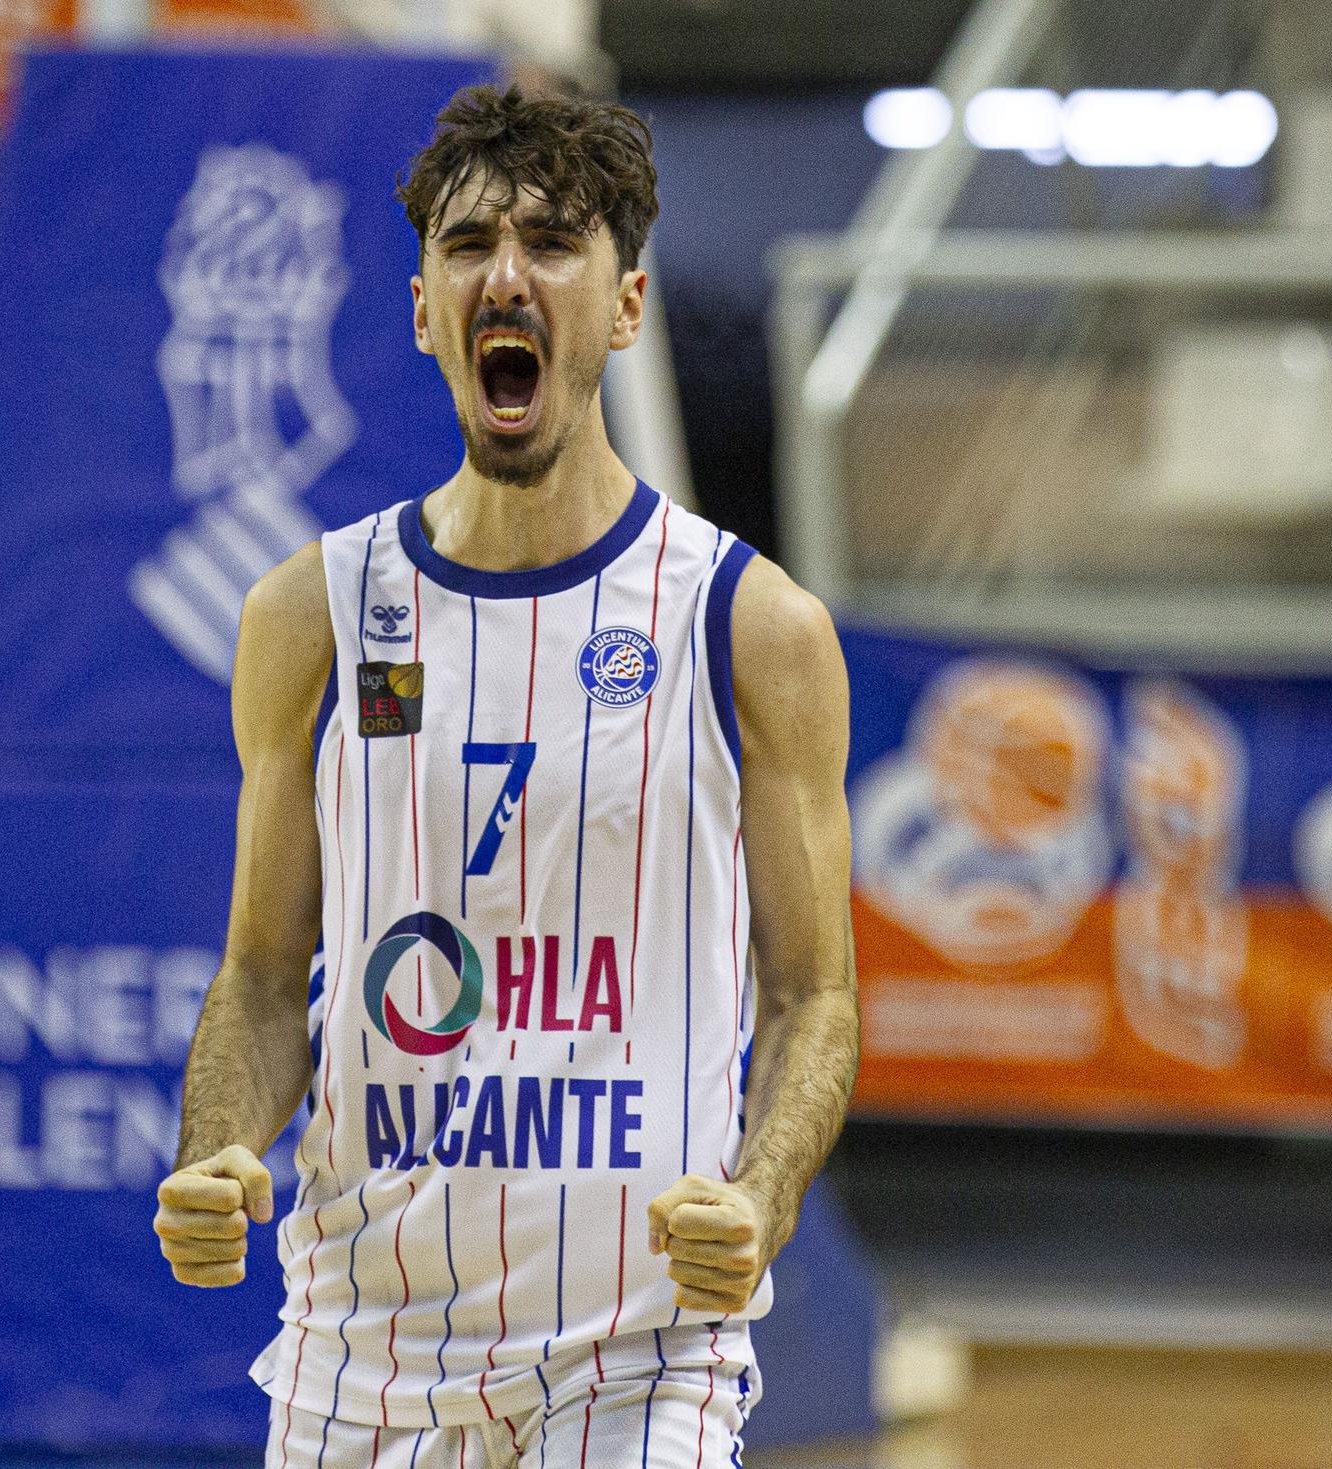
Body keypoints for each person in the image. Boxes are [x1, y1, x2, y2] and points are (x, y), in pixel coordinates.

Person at [151, 84, 859, 1469]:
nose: (509, 273)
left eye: (553, 240)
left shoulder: (752, 626)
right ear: (425, 309)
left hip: (639, 1358)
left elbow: (814, 994)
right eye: (471, 245)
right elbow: (258, 976)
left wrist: (762, 1198)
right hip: (362, 1351)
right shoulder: (311, 616)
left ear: (627, 303)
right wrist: (216, 1146)